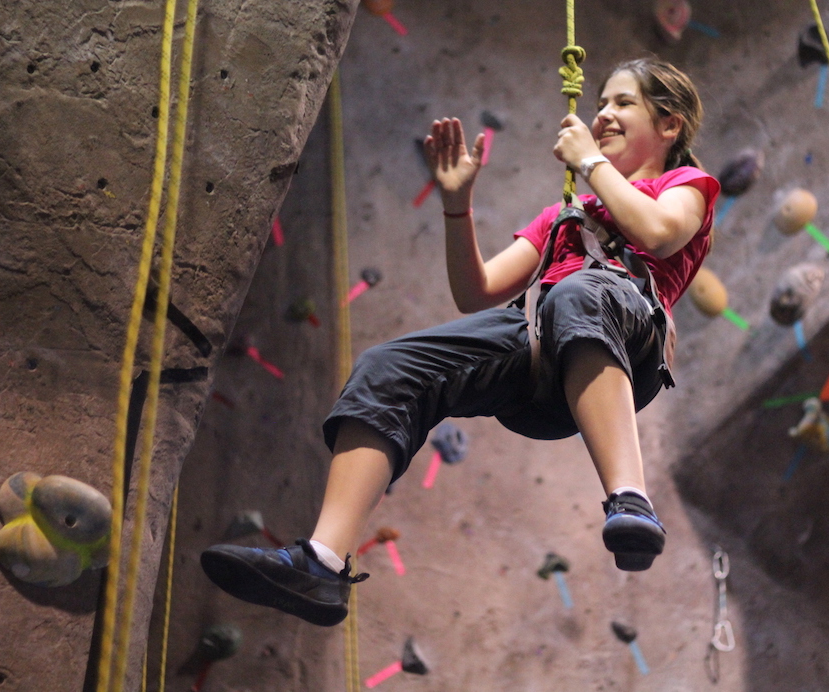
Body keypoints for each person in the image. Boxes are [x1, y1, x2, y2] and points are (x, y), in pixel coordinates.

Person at [201, 56, 720, 627]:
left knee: (580, 294)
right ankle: (322, 564)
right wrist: (456, 203)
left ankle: (630, 500)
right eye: (600, 104)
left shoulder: (685, 186)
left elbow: (660, 233)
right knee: (390, 367)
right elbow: (476, 291)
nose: (602, 114)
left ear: (669, 125)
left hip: (625, 333)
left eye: (623, 103)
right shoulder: (566, 213)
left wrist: (591, 163)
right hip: (540, 342)